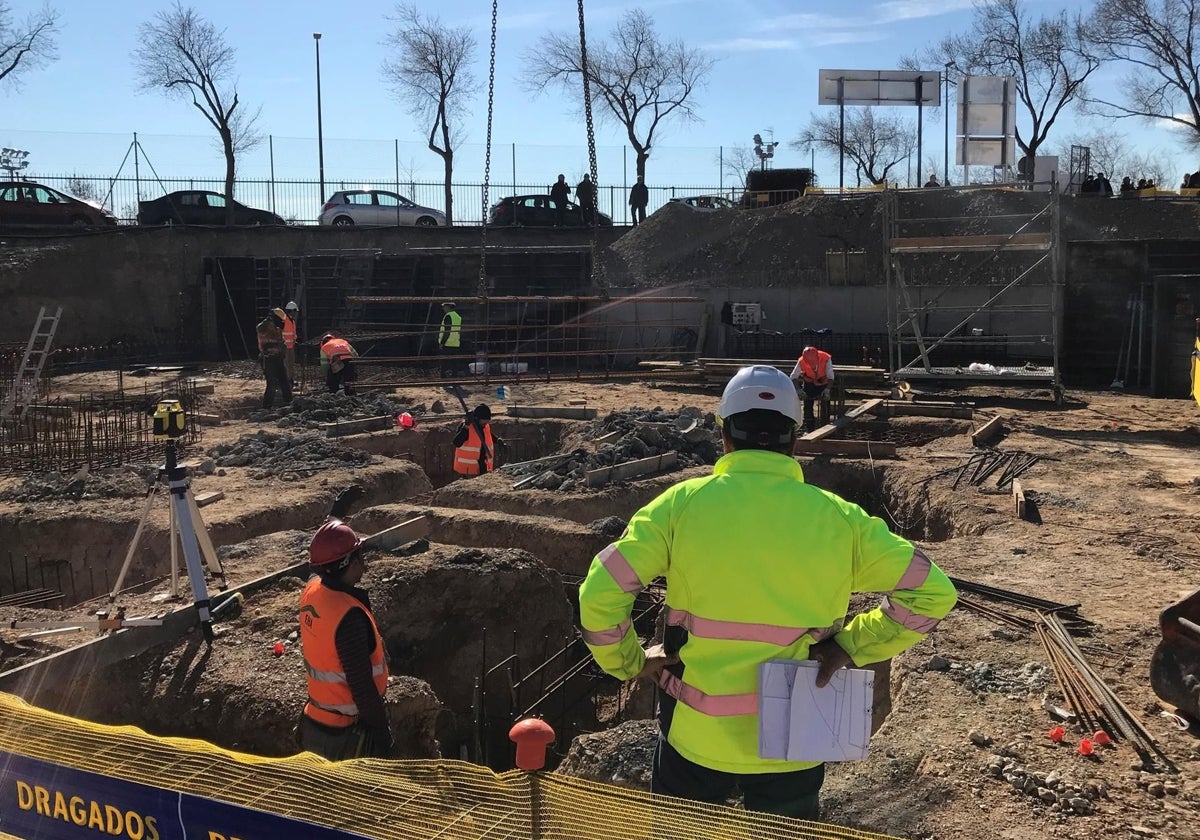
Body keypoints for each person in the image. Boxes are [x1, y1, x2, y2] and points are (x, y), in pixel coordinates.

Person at [578, 365, 957, 820]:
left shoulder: (681, 506)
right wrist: (851, 646)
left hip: (695, 738)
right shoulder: (841, 520)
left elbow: (601, 592)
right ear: (795, 439)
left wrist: (630, 662)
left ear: (723, 435)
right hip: (794, 741)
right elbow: (933, 593)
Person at [298, 517, 394, 761]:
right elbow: (362, 688)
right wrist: (383, 735)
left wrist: (335, 518)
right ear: (348, 563)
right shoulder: (348, 618)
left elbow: (318, 565)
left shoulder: (313, 591)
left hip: (314, 722)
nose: (364, 562)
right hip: (345, 734)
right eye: (359, 555)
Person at [789, 345, 835, 432]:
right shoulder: (801, 360)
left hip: (823, 383)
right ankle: (809, 429)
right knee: (807, 407)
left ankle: (826, 428)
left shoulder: (825, 358)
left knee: (825, 406)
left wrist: (827, 390)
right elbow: (793, 377)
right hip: (809, 383)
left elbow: (830, 377)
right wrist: (799, 390)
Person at [256, 308, 292, 409]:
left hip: (278, 357)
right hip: (268, 358)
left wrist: (282, 347)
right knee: (272, 383)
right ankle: (267, 407)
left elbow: (280, 341)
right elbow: (267, 338)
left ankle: (289, 402)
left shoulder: (276, 328)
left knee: (284, 381)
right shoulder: (264, 327)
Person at [452, 404, 495, 477]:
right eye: (484, 421)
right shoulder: (467, 427)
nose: (486, 423)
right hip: (468, 470)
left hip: (483, 466)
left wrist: (497, 440)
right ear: (478, 418)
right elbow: (456, 442)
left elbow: (487, 436)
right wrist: (465, 427)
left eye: (487, 421)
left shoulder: (485, 426)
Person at [438, 302, 462, 376]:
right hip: (455, 343)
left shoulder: (448, 316)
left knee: (444, 364)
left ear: (448, 307)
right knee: (454, 364)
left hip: (447, 343)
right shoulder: (458, 316)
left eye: (444, 307)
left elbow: (447, 331)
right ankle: (453, 380)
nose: (443, 308)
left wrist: (442, 343)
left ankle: (444, 380)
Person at [281, 301, 300, 386]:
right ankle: (286, 382)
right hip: (285, 346)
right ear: (291, 310)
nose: (295, 313)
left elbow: (293, 333)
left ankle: (290, 380)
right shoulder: (285, 319)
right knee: (286, 365)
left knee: (291, 365)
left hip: (291, 346)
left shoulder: (292, 321)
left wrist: (294, 340)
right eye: (294, 311)